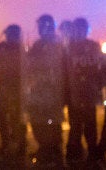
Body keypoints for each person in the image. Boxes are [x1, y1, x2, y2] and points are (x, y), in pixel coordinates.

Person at [24, 14, 67, 167]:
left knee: (52, 122)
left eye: (43, 26)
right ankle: (46, 149)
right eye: (40, 26)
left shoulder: (58, 44)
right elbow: (30, 64)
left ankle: (53, 152)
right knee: (39, 121)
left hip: (52, 91)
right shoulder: (38, 44)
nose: (41, 29)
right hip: (39, 90)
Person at [64, 17, 103, 163]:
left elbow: (100, 68)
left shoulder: (93, 46)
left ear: (86, 30)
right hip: (74, 92)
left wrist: (100, 86)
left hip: (89, 92)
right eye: (77, 29)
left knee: (90, 124)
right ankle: (74, 151)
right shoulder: (68, 47)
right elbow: (64, 71)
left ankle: (91, 150)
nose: (80, 32)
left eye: (82, 29)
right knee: (75, 124)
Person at [0, 24, 26, 158]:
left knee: (10, 117)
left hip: (11, 87)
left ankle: (15, 144)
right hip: (7, 88)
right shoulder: (16, 48)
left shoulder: (5, 47)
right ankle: (15, 144)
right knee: (7, 117)